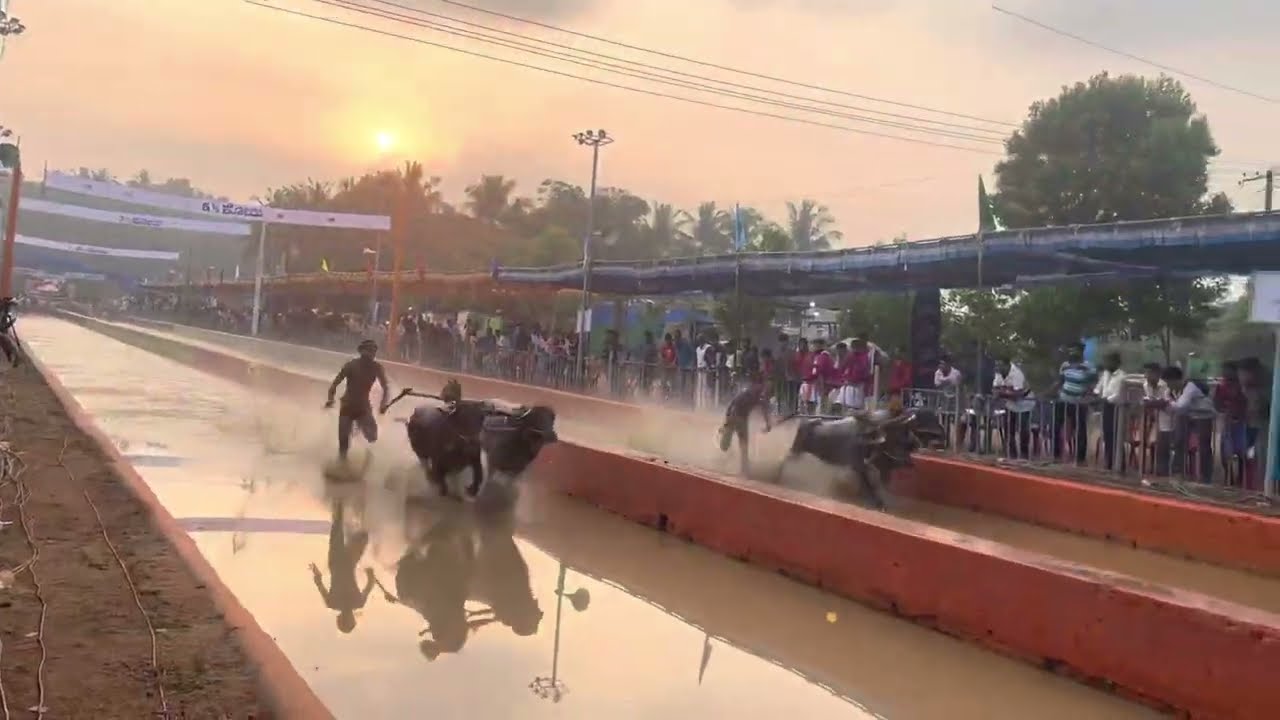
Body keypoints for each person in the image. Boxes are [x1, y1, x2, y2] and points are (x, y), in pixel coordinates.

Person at [310, 500, 375, 634]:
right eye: (350, 619)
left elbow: (319, 583)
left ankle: (341, 499)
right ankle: (359, 504)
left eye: (347, 620)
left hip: (337, 560)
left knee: (338, 526)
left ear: (342, 619)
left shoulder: (335, 603)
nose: (349, 617)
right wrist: (370, 575)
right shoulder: (355, 602)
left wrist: (316, 573)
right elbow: (369, 585)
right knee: (362, 535)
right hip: (346, 561)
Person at [325, 339, 391, 461]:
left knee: (372, 436)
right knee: (343, 442)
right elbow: (334, 385)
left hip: (363, 407)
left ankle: (363, 450)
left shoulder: (377, 368)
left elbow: (386, 388)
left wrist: (383, 404)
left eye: (373, 351)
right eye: (369, 351)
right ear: (361, 351)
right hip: (347, 406)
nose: (371, 354)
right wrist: (330, 399)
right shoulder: (351, 365)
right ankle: (341, 465)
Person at [1051, 342, 1097, 464]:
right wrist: (1051, 392)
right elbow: (1060, 381)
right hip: (1063, 400)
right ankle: (1056, 455)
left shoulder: (1089, 367)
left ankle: (1081, 458)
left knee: (1080, 430)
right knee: (1056, 427)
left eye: (1075, 351)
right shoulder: (1065, 365)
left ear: (1081, 352)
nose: (1072, 353)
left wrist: (1088, 394)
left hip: (1079, 402)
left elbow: (1093, 384)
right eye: (1070, 351)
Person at [718, 376, 774, 475]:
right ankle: (730, 460)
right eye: (767, 386)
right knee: (726, 445)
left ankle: (744, 468)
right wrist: (768, 423)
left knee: (743, 444)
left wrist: (768, 423)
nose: (768, 390)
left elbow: (763, 406)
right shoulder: (755, 392)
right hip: (735, 416)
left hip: (741, 418)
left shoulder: (755, 391)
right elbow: (763, 406)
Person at [992, 357, 1034, 459]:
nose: (997, 367)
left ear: (1007, 365)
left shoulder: (1017, 374)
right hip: (1010, 404)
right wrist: (1004, 393)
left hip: (1025, 404)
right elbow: (995, 389)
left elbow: (1017, 395)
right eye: (996, 365)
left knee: (1023, 430)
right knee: (1008, 429)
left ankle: (1024, 455)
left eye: (1000, 365)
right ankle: (1012, 454)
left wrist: (1002, 393)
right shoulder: (998, 373)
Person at [1095, 352, 1126, 470]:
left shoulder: (1122, 376)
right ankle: (1109, 462)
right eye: (1106, 361)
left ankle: (1119, 464)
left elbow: (1119, 394)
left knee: (1117, 436)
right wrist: (1096, 395)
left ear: (1117, 363)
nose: (1107, 364)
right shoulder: (1105, 374)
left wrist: (1105, 399)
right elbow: (1098, 388)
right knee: (1107, 435)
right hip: (1106, 407)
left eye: (1109, 361)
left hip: (1117, 408)